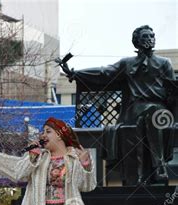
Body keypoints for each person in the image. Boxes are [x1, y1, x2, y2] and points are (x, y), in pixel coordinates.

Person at [61, 25, 175, 184]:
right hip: (136, 110)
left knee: (155, 113)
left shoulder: (165, 63)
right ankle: (158, 166)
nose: (150, 39)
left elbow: (172, 88)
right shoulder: (127, 63)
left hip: (160, 110)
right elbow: (103, 72)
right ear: (136, 42)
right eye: (145, 37)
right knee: (150, 114)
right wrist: (76, 73)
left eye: (152, 36)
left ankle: (156, 167)